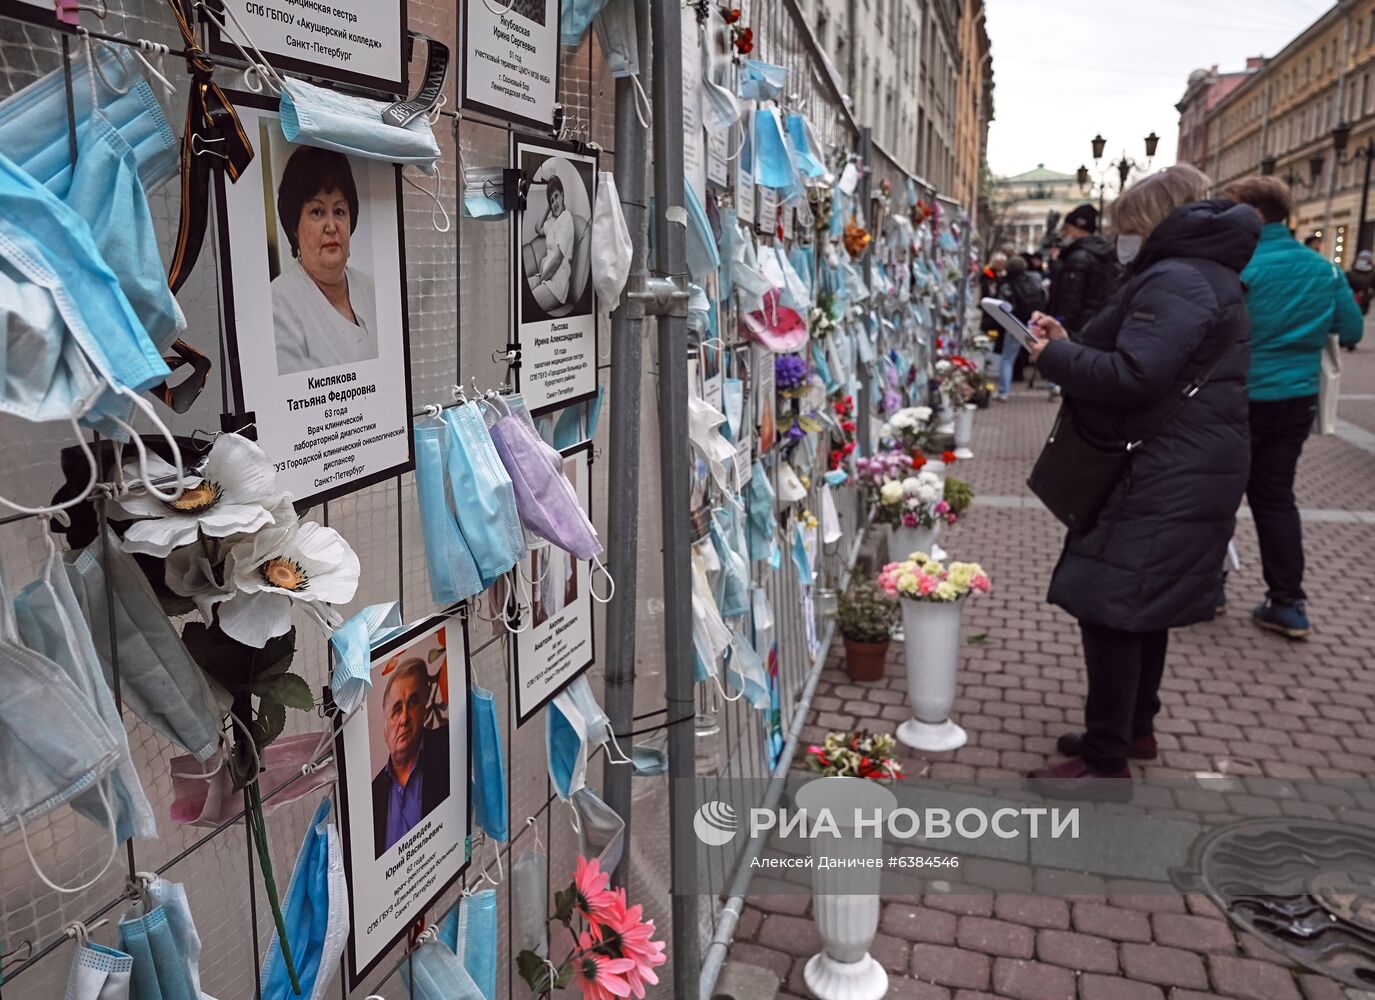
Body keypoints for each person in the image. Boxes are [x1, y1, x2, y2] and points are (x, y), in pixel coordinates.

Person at [1023, 165, 1260, 796]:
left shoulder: (1178, 277)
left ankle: (1106, 762)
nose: (1125, 238)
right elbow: (1145, 357)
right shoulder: (1201, 274)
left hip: (1160, 468)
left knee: (1112, 608)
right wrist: (1072, 343)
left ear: (1154, 220)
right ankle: (1131, 730)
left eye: (1131, 226)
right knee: (1140, 607)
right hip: (1182, 463)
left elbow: (1135, 375)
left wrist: (1056, 357)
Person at [1221, 176, 1364, 638]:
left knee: (1217, 494)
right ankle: (1287, 601)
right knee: (1276, 499)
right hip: (1295, 399)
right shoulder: (1323, 270)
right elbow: (1351, 326)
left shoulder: (1241, 265)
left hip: (1241, 396)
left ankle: (1208, 585)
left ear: (1256, 214)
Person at [272, 146, 378, 376]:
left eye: (339, 211)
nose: (331, 226)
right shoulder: (277, 304)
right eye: (317, 212)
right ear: (293, 226)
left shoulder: (370, 288)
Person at [372, 659, 450, 854]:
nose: (404, 718)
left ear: (424, 708)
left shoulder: (448, 748)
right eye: (396, 710)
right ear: (385, 731)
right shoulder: (372, 797)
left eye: (413, 702)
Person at [1047, 203, 1120, 338]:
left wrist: (1061, 328)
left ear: (1079, 228)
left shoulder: (1078, 257)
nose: (1064, 234)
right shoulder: (1103, 254)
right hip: (1093, 329)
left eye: (1067, 228)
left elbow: (1069, 302)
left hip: (1073, 332)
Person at [994, 256, 1046, 400]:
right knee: (1043, 353)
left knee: (1007, 358)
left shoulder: (1007, 285)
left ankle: (1003, 392)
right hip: (1034, 321)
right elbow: (1044, 295)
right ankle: (1054, 386)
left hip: (1015, 323)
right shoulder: (1034, 279)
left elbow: (1002, 305)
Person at [530, 174, 576, 308]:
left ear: (562, 195)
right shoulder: (553, 222)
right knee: (520, 288)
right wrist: (548, 206)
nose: (554, 202)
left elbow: (557, 259)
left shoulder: (566, 219)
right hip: (545, 278)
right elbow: (538, 228)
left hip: (556, 286)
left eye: (556, 196)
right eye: (551, 200)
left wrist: (540, 281)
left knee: (526, 302)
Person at [1347, 249, 1375, 320]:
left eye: (1366, 258)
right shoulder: (1349, 274)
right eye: (1363, 258)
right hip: (1350, 300)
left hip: (1364, 302)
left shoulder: (1372, 275)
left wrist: (1368, 295)